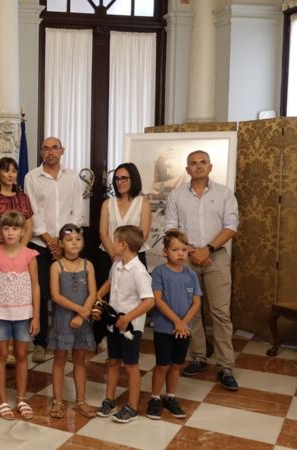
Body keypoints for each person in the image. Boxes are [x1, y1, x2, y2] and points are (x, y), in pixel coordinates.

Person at [165, 150, 239, 391]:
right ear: (187, 169)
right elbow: (171, 229)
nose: (198, 167)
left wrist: (207, 249)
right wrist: (191, 251)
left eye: (202, 163)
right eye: (193, 164)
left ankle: (225, 365)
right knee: (191, 311)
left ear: (210, 166)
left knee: (220, 313)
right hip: (185, 259)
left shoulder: (224, 194)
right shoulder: (176, 196)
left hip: (216, 258)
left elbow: (231, 226)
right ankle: (198, 357)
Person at [24, 137, 83, 363]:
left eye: (54, 148)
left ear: (62, 151)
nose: (50, 152)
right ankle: (40, 343)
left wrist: (64, 239)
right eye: (45, 148)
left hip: (68, 245)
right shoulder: (32, 177)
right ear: (41, 152)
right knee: (40, 294)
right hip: (40, 244)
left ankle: (65, 343)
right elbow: (32, 211)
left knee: (67, 295)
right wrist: (50, 241)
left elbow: (77, 210)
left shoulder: (72, 177)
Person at [0, 211, 40, 421]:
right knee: (0, 354)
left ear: (23, 231)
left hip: (24, 314)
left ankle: (22, 398)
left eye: (15, 228)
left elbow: (36, 287)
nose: (10, 232)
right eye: (6, 228)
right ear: (0, 231)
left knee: (22, 355)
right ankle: (1, 399)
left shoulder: (30, 256)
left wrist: (36, 316)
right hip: (0, 313)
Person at [94, 225, 154, 423]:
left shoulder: (139, 271)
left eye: (114, 240)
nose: (111, 244)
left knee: (131, 365)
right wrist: (98, 295)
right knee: (113, 362)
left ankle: (132, 407)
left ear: (123, 245)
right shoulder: (117, 264)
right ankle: (109, 399)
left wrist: (127, 318)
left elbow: (149, 301)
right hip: (114, 324)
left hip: (130, 327)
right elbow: (110, 282)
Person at [147, 229, 202, 421]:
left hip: (183, 330)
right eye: (175, 249)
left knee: (176, 365)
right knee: (162, 365)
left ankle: (170, 398)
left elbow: (196, 302)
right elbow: (158, 300)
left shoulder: (191, 275)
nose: (180, 254)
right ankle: (155, 398)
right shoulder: (159, 272)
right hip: (164, 328)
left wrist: (183, 323)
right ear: (165, 252)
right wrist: (176, 321)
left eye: (184, 250)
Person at [48, 224, 97, 419]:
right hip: (63, 320)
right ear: (61, 243)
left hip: (82, 321)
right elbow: (55, 296)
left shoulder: (88, 265)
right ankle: (58, 401)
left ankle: (81, 401)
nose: (74, 243)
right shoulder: (56, 266)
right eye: (69, 240)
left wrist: (82, 316)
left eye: (78, 239)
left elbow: (93, 293)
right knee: (59, 360)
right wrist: (79, 310)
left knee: (80, 359)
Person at [98, 162, 151, 284]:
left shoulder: (143, 203)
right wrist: (114, 255)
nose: (119, 182)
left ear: (134, 179)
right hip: (109, 256)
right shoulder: (107, 203)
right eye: (116, 178)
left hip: (135, 256)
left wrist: (127, 256)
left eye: (124, 178)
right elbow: (103, 233)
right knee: (108, 295)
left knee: (136, 295)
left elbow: (143, 233)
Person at [0, 156, 34, 249]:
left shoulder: (23, 198)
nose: (11, 175)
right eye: (6, 171)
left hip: (19, 251)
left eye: (14, 171)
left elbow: (29, 229)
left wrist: (20, 251)